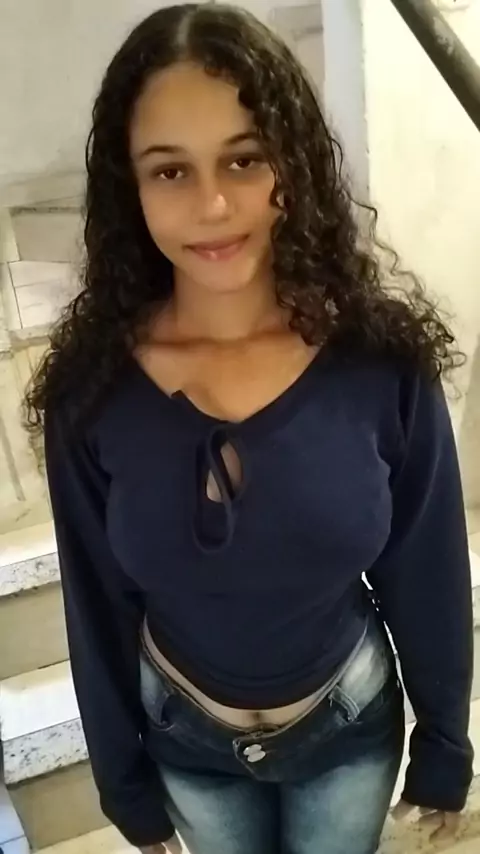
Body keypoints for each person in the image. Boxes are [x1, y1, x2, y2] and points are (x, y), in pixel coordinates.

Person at [24, 4, 474, 853]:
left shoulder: (379, 363)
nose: (213, 203)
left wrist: (445, 743)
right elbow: (95, 604)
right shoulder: (94, 391)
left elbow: (428, 570)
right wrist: (123, 783)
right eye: (170, 170)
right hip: (185, 739)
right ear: (129, 186)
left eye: (244, 157)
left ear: (291, 163)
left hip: (346, 726)